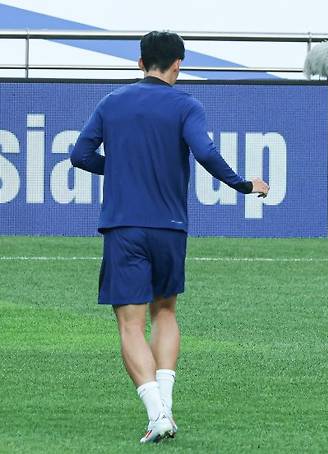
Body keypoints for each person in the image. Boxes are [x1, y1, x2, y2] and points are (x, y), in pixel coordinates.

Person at [70, 31, 269, 443]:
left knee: (129, 323)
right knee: (165, 313)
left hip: (124, 226)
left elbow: (79, 155)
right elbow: (206, 153)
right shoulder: (186, 105)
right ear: (178, 63)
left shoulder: (111, 102)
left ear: (140, 63)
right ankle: (166, 408)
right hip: (170, 228)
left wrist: (122, 167)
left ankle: (156, 413)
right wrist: (244, 186)